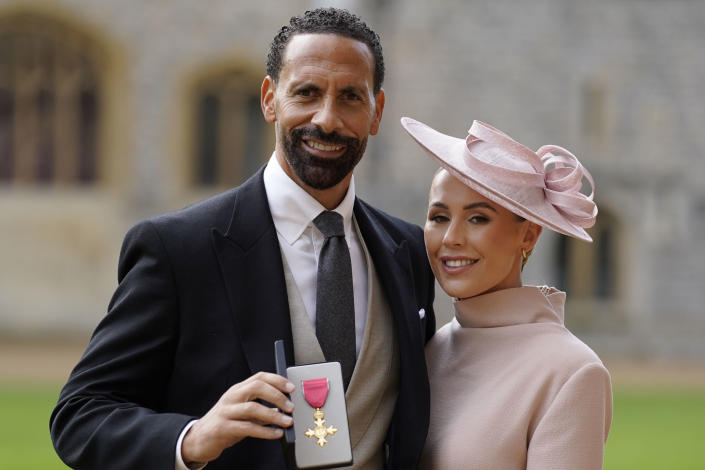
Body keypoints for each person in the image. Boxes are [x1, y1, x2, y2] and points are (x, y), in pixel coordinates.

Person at [50, 9, 436, 470]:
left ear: (377, 112)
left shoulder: (408, 250)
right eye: (307, 93)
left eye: (350, 97)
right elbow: (80, 415)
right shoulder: (177, 249)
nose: (327, 119)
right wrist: (192, 438)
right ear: (270, 99)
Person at [401, 117, 612, 469]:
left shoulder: (572, 371)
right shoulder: (426, 350)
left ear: (528, 236)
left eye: (477, 218)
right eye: (439, 217)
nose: (451, 237)